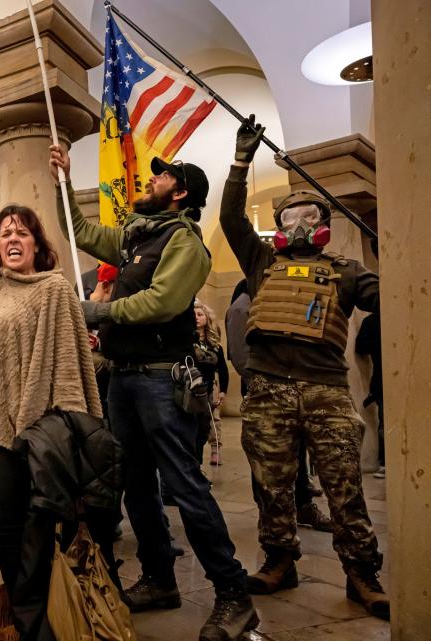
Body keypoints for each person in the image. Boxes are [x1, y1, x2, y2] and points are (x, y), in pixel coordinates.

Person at [50, 144, 258, 641]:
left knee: (183, 486)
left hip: (162, 379)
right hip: (125, 378)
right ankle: (160, 578)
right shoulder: (136, 238)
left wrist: (94, 312)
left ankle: (234, 595)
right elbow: (79, 233)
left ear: (180, 193)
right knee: (135, 483)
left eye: (162, 177)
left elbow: (162, 303)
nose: (151, 179)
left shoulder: (184, 242)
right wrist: (65, 179)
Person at [221, 115, 388, 619]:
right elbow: (231, 219)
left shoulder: (347, 272)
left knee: (343, 486)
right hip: (268, 388)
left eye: (308, 217)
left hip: (327, 391)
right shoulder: (261, 264)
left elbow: (392, 298)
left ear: (323, 225)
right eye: (289, 218)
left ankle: (362, 573)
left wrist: (397, 251)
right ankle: (279, 559)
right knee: (272, 483)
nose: (298, 225)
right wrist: (239, 163)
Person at [0, 144, 102, 641]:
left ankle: (33, 623)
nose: (10, 237)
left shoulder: (51, 290)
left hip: (20, 427)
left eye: (20, 233)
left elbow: (69, 367)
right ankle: (22, 614)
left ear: (36, 245)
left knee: (18, 528)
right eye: (5, 231)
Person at [228, 283, 332, 532]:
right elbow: (241, 356)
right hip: (265, 392)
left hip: (289, 388)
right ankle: (272, 514)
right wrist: (264, 386)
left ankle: (301, 503)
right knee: (266, 458)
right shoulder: (242, 306)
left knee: (295, 452)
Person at [192, 301, 228, 466]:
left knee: (214, 419)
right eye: (194, 315)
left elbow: (223, 369)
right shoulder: (188, 341)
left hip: (210, 386)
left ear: (207, 318)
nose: (197, 318)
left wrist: (223, 391)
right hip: (193, 387)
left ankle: (216, 449)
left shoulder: (215, 345)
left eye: (200, 315)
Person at [355, 312, 384, 478]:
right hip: (381, 379)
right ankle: (385, 463)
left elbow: (361, 348)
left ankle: (385, 463)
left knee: (384, 423)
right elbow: (361, 347)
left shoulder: (371, 321)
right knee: (385, 423)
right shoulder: (372, 321)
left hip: (381, 378)